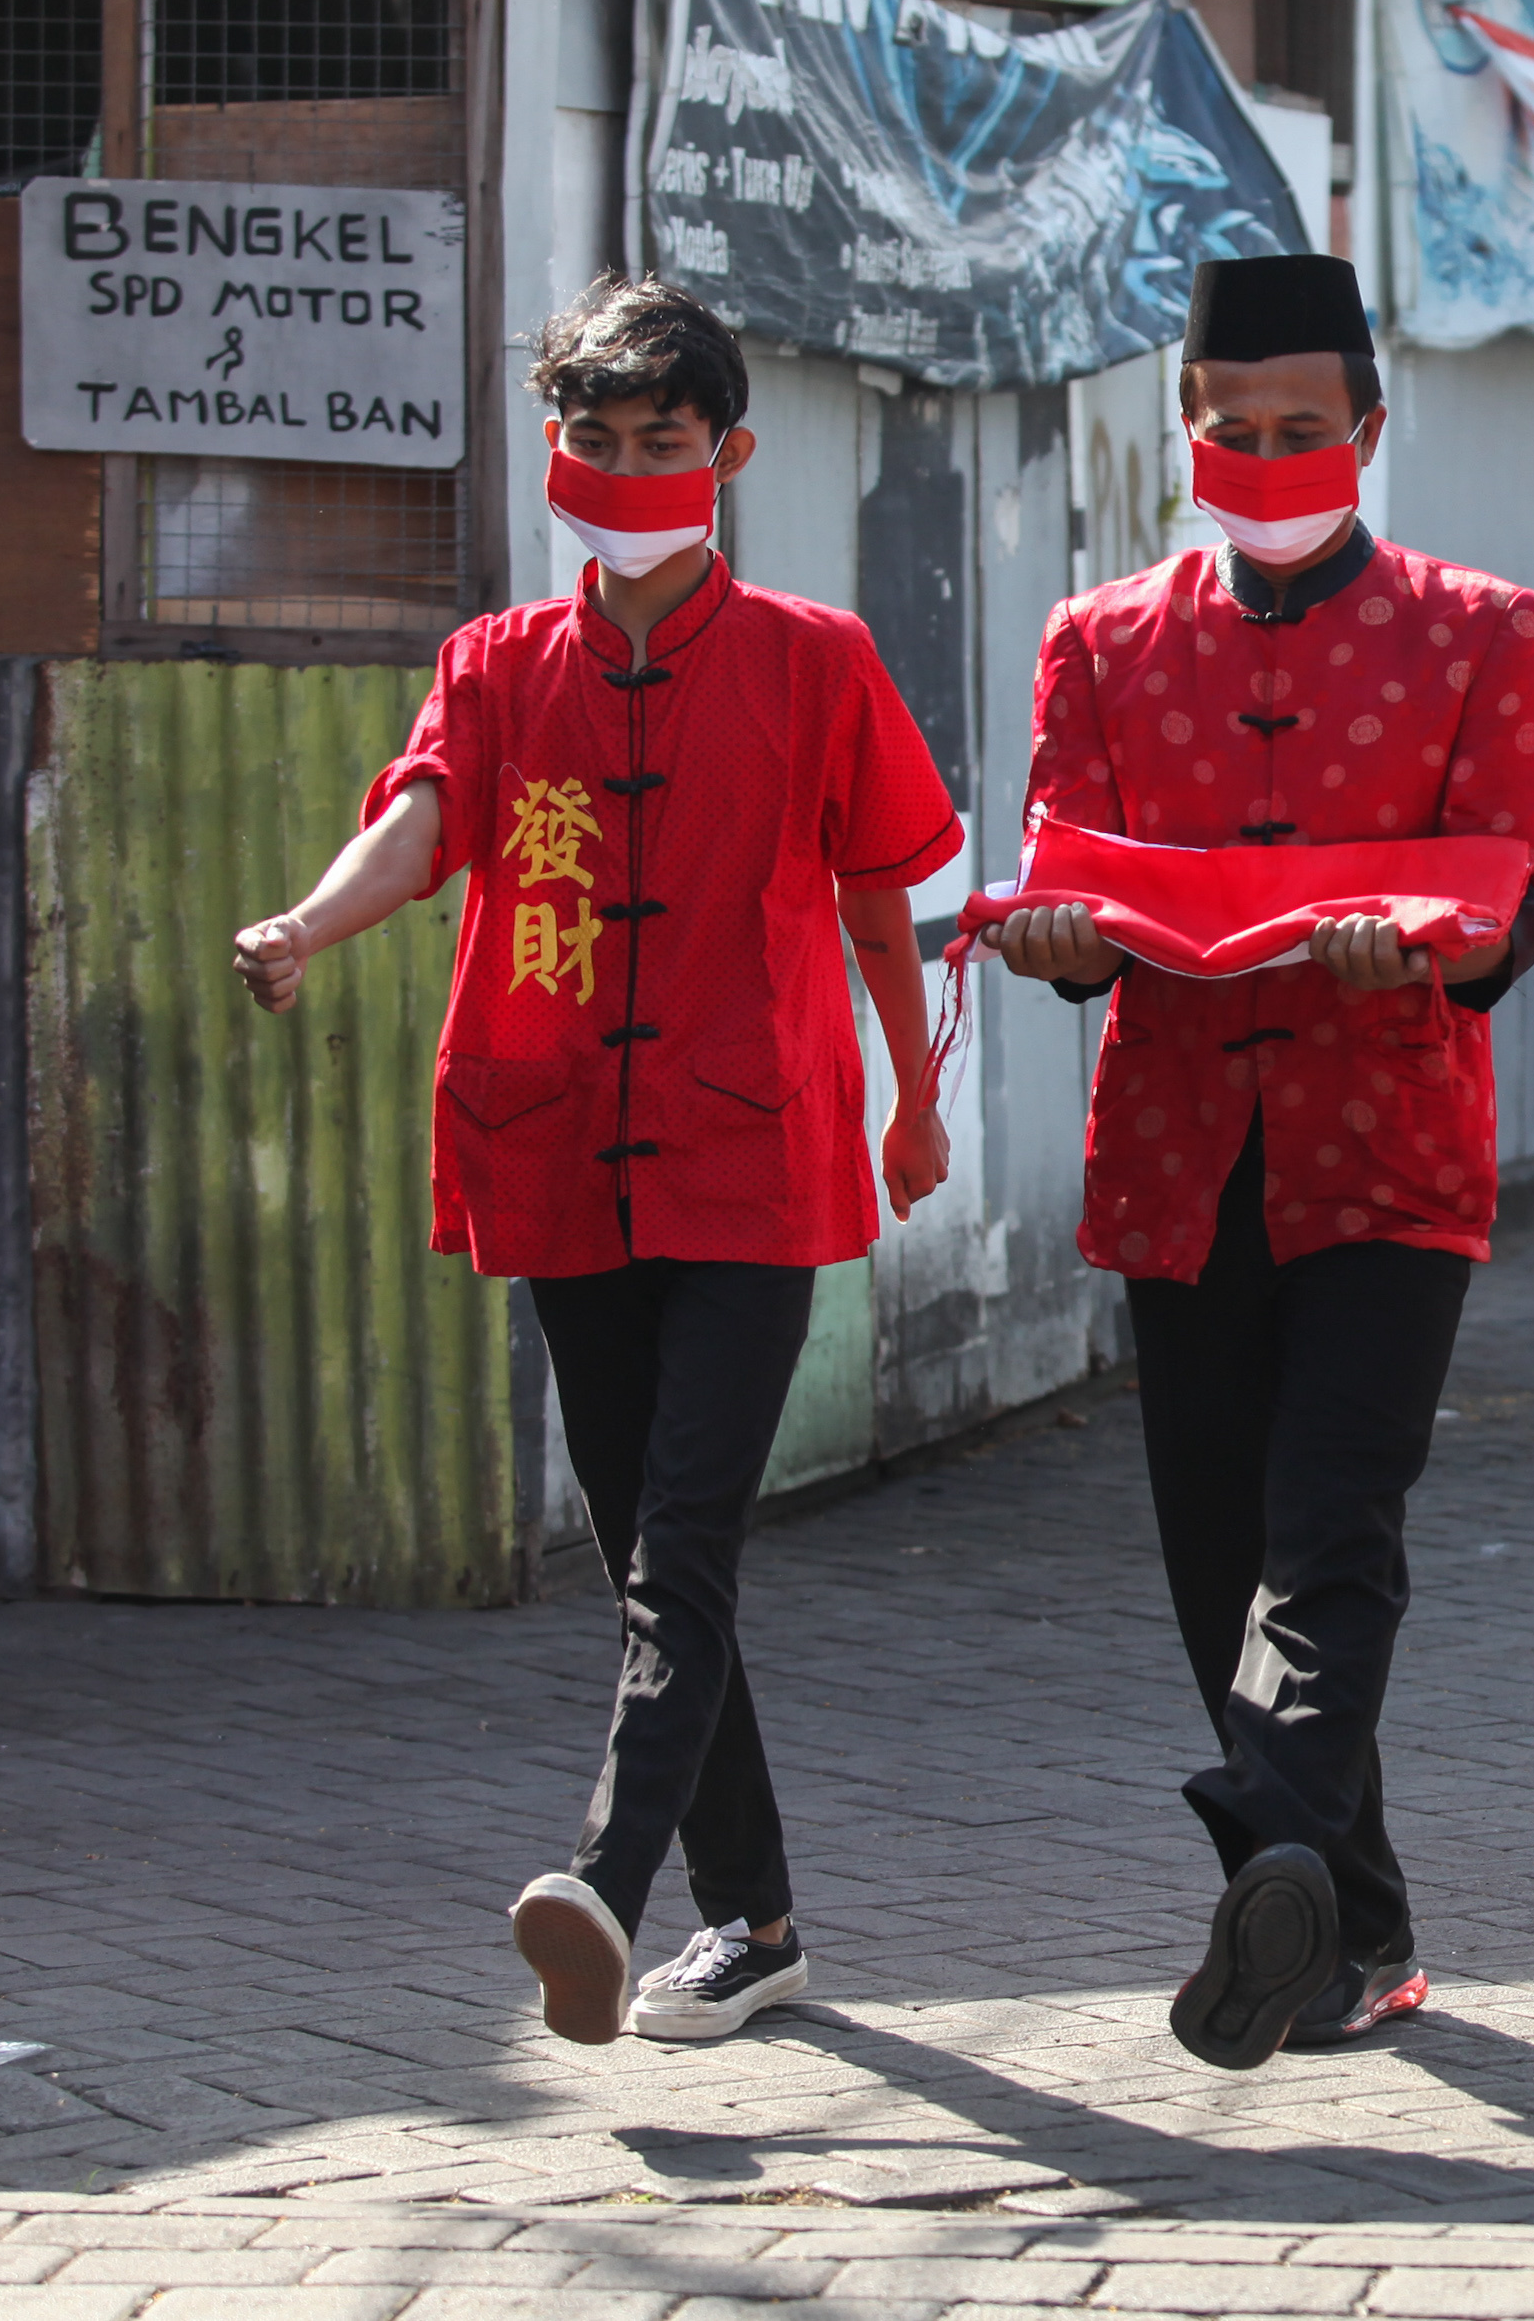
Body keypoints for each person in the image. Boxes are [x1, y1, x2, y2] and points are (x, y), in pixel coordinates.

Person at [230, 275, 961, 2047]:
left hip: (751, 1151)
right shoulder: (496, 666)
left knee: (686, 1532)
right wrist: (313, 926)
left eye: (665, 438)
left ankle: (605, 1886)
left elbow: (884, 899)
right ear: (557, 445)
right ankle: (762, 1919)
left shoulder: (816, 657)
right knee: (653, 1542)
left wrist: (912, 1093)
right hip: (565, 1148)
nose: (629, 465)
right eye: (598, 437)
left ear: (728, 451)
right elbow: (421, 823)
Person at [984, 253, 1534, 2074]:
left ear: (1370, 433)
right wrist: (1059, 938)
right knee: (1208, 1558)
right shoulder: (1099, 636)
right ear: (1189, 430)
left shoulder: (1485, 628)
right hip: (1178, 1151)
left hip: (1387, 1144)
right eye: (1229, 431)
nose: (1262, 456)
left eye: (1301, 430)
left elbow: (1512, 897)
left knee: (1331, 1529)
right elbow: (1073, 881)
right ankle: (1352, 1921)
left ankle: (1274, 1873)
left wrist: (1427, 942)